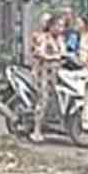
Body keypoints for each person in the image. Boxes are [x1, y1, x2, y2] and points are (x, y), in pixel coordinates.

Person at [30, 14, 63, 143]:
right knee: (43, 101)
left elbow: (64, 52)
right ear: (51, 26)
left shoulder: (59, 39)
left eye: (62, 26)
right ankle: (36, 130)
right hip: (42, 74)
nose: (60, 28)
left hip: (55, 74)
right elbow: (39, 53)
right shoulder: (44, 38)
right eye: (58, 26)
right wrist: (52, 57)